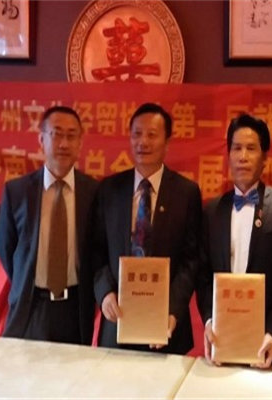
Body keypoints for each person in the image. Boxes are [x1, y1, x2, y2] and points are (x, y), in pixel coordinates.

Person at [196, 113, 272, 369]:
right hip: (224, 343)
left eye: (251, 148)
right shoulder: (212, 211)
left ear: (265, 157)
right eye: (236, 148)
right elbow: (202, 275)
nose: (243, 156)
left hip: (271, 348)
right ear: (228, 156)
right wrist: (210, 320)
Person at [91, 102, 202, 354]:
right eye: (137, 134)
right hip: (117, 320)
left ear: (167, 141)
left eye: (152, 135)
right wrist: (105, 293)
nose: (143, 142)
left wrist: (173, 310)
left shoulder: (186, 192)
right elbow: (96, 251)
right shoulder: (109, 189)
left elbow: (191, 260)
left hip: (166, 325)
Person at [0, 106, 98, 344]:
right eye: (57, 134)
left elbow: (97, 250)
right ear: (41, 140)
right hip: (30, 305)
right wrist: (27, 278)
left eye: (71, 136)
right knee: (25, 366)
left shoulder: (94, 192)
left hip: (75, 308)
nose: (64, 144)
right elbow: (5, 248)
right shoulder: (17, 192)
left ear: (80, 143)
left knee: (72, 368)